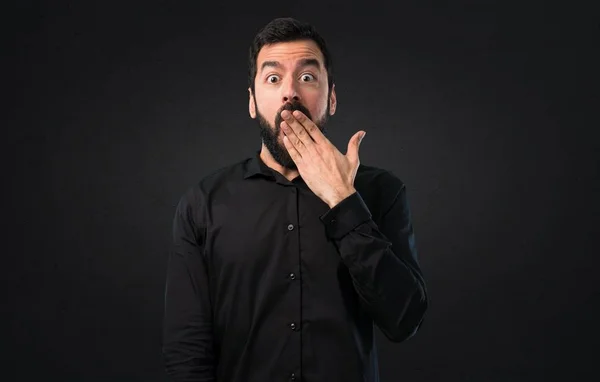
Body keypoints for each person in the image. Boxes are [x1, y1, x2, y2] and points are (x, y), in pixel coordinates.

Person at [162, 17, 429, 382]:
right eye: (273, 78)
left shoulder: (382, 191)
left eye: (307, 77)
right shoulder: (203, 204)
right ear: (253, 102)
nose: (290, 93)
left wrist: (343, 199)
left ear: (331, 98)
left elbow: (404, 320)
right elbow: (186, 352)